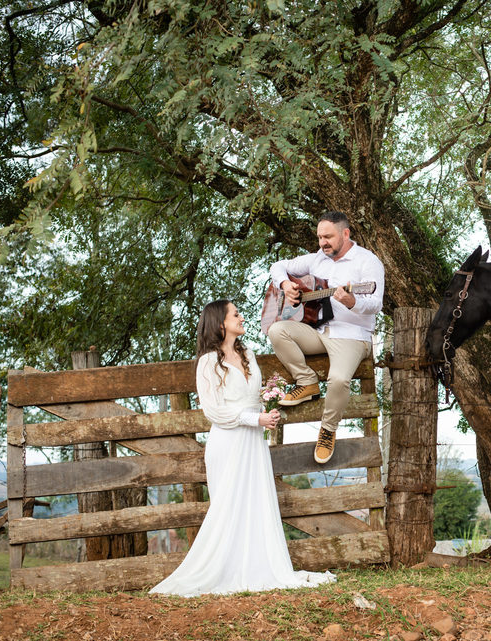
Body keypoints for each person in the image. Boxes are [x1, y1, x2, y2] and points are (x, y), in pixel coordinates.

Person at [150, 299, 335, 597]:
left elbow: (252, 396)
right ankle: (223, 571)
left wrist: (268, 408)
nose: (241, 317)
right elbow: (214, 411)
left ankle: (258, 567)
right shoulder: (208, 362)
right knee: (229, 508)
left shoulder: (247, 353)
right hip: (229, 442)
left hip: (254, 442)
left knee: (256, 503)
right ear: (220, 324)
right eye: (235, 314)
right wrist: (254, 418)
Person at [268, 211, 384, 464]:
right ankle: (306, 381)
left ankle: (328, 430)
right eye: (320, 237)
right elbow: (278, 266)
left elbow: (375, 303)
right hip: (319, 331)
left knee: (339, 379)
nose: (323, 242)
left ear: (345, 233)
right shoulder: (317, 259)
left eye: (328, 237)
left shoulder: (368, 261)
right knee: (277, 330)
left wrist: (352, 301)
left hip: (352, 336)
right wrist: (285, 286)